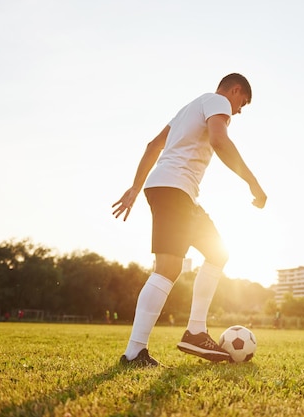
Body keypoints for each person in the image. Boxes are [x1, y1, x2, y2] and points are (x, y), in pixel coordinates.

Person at [112, 73, 267, 367]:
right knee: (168, 267)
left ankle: (196, 331)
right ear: (235, 91)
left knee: (218, 253)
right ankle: (134, 353)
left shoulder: (188, 110)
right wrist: (253, 183)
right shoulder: (218, 101)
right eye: (242, 103)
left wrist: (135, 187)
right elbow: (219, 141)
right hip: (174, 189)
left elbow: (152, 146)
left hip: (172, 189)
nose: (238, 111)